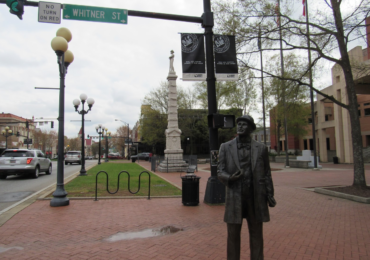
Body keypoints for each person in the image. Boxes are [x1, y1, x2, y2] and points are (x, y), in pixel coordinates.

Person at [218, 115, 276, 260]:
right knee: (233, 235)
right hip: (234, 196)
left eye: (244, 124)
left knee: (256, 234)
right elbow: (220, 171)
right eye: (239, 124)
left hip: (255, 197)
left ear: (251, 128)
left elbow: (267, 172)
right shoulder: (225, 147)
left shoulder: (261, 148)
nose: (240, 127)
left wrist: (270, 193)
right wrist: (230, 178)